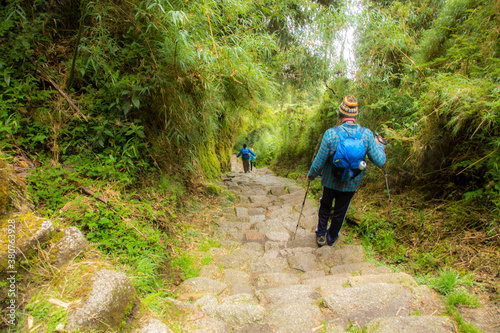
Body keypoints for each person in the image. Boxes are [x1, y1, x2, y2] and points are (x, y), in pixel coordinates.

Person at [307, 95, 386, 247]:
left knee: (325, 205)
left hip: (330, 181)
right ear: (355, 115)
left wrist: (311, 176)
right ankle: (331, 237)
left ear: (340, 113)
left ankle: (321, 235)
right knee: (340, 211)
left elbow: (319, 161)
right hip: (351, 183)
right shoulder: (367, 135)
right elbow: (380, 161)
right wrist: (380, 144)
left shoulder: (330, 134)